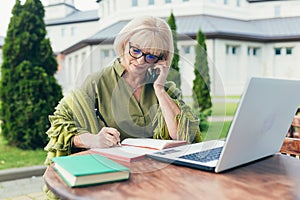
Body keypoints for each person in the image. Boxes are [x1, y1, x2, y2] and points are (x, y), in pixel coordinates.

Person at [44, 15, 201, 165]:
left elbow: (183, 136)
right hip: (112, 170)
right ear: (124, 43)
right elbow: (59, 124)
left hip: (155, 170)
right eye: (136, 50)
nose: (140, 61)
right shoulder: (97, 82)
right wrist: (92, 139)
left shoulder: (166, 89)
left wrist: (159, 89)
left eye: (151, 56)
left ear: (161, 60)